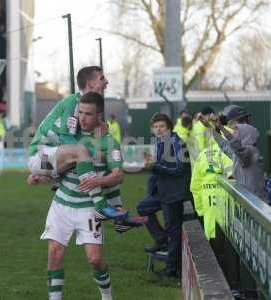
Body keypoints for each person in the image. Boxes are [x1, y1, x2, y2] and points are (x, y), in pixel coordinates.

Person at [34, 92, 145, 300]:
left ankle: (107, 296)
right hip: (62, 204)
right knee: (55, 253)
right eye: (81, 112)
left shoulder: (109, 142)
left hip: (89, 208)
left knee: (95, 259)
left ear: (99, 115)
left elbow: (118, 176)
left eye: (88, 114)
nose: (83, 118)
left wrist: (97, 182)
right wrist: (42, 176)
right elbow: (59, 166)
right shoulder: (69, 135)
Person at [28, 66, 127, 221]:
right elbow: (66, 138)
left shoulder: (84, 105)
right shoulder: (73, 102)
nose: (106, 81)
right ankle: (101, 206)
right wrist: (95, 152)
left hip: (56, 158)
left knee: (105, 165)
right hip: (41, 155)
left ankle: (118, 213)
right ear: (89, 84)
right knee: (84, 153)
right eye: (102, 78)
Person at [137, 113, 191, 277]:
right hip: (162, 192)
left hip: (173, 193)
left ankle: (171, 269)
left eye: (162, 126)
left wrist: (155, 166)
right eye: (156, 127)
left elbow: (179, 170)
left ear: (169, 127)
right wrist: (152, 164)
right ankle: (161, 239)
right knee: (143, 208)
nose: (158, 129)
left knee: (173, 230)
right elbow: (160, 167)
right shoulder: (161, 142)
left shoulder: (177, 143)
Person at [207, 107, 268, 201]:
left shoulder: (251, 151)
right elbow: (224, 145)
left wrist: (222, 127)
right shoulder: (239, 153)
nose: (234, 133)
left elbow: (237, 147)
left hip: (255, 206)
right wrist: (210, 127)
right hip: (247, 204)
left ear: (246, 134)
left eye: (236, 131)